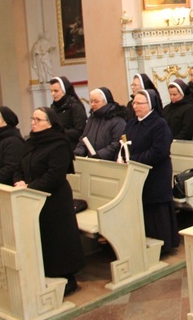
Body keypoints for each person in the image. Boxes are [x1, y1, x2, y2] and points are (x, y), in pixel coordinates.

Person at [14, 107, 85, 296]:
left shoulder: (59, 144)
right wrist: (19, 180)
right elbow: (19, 165)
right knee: (43, 238)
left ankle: (68, 279)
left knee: (59, 240)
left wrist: (29, 188)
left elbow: (54, 175)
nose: (33, 122)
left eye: (38, 119)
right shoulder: (31, 142)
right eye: (32, 118)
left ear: (50, 123)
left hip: (55, 199)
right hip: (34, 197)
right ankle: (46, 274)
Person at [123, 89, 179, 255]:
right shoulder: (132, 123)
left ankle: (164, 245)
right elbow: (125, 144)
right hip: (138, 173)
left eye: (139, 103)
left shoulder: (159, 124)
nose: (135, 106)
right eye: (134, 103)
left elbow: (159, 150)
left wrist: (135, 159)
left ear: (150, 105)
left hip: (157, 173)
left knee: (158, 209)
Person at [74, 87, 127, 161]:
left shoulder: (117, 120)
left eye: (96, 101)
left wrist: (100, 154)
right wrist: (78, 153)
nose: (93, 104)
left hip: (109, 163)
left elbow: (117, 143)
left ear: (105, 102)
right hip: (93, 161)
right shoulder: (92, 119)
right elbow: (84, 139)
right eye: (91, 101)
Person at [49, 76, 87, 144]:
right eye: (51, 91)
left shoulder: (75, 106)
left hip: (72, 144)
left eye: (56, 91)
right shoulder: (53, 107)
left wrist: (59, 132)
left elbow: (80, 131)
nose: (53, 94)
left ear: (64, 90)